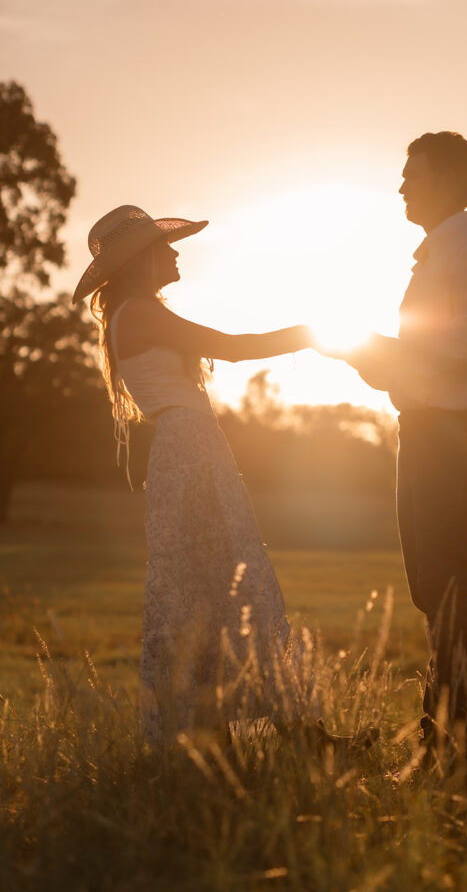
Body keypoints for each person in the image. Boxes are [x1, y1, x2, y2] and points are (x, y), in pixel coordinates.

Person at [72, 204, 314, 744]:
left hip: (191, 449)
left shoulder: (136, 311)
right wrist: (311, 334)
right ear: (142, 259)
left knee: (210, 588)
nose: (176, 251)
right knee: (223, 583)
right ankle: (292, 735)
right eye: (166, 246)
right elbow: (229, 347)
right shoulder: (139, 312)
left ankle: (243, 738)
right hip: (189, 452)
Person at [338, 132, 467, 755]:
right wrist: (378, 362)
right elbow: (432, 355)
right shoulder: (442, 255)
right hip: (424, 429)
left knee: (445, 580)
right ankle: (448, 726)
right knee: (428, 582)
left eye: (411, 175)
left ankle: (462, 735)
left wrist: (387, 351)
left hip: (451, 433)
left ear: (444, 180)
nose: (401, 186)